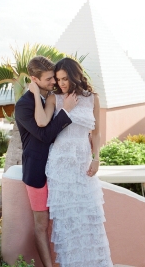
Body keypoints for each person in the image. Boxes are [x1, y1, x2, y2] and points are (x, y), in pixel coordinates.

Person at [30, 57, 113, 266]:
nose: (62, 83)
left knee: (90, 220)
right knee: (67, 226)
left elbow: (96, 134)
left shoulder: (92, 98)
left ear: (75, 75)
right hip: (60, 168)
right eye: (58, 80)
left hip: (83, 167)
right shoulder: (54, 99)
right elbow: (41, 122)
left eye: (65, 78)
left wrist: (96, 159)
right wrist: (33, 93)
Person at [15, 56, 78, 267]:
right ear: (34, 79)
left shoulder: (51, 98)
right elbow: (45, 135)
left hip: (58, 171)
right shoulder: (23, 106)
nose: (54, 82)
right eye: (49, 79)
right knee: (41, 226)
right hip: (37, 174)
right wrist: (66, 111)